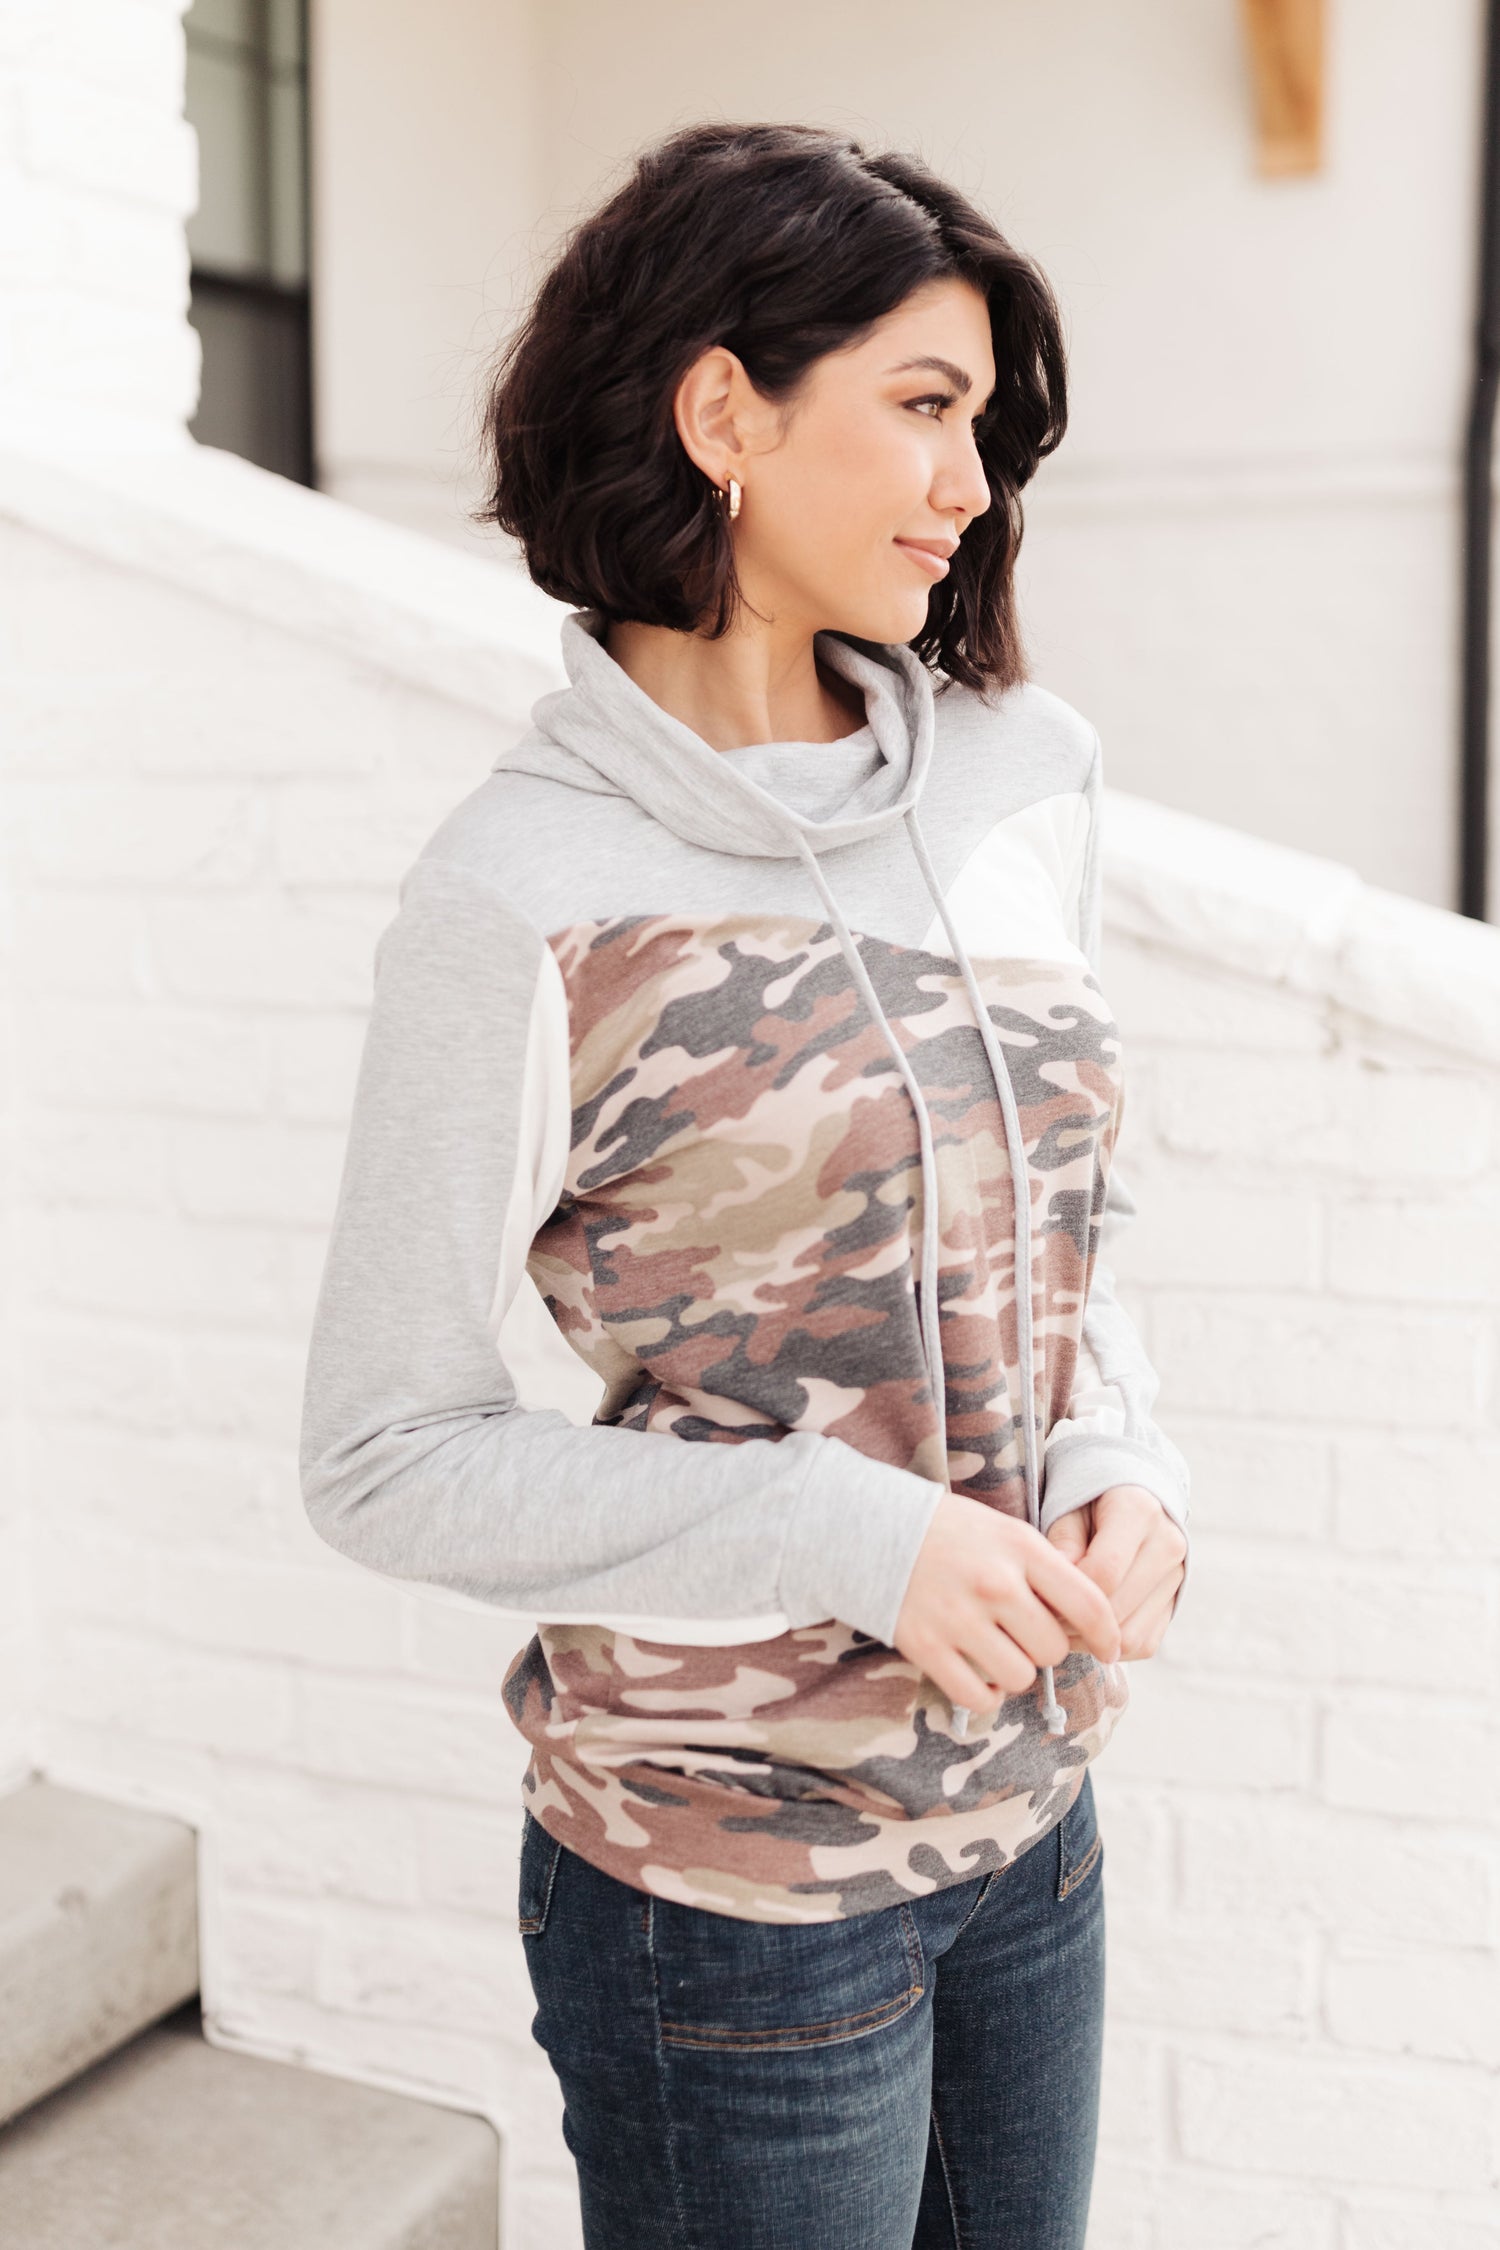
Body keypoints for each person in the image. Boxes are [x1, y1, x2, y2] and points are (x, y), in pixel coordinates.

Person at [299, 119, 1190, 2250]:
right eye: (925, 406)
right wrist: (847, 1534)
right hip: (728, 1905)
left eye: (984, 427)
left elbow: (1062, 1219)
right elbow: (384, 1454)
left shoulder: (1021, 777)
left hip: (1033, 1829)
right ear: (723, 412)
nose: (971, 485)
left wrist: (1118, 1449)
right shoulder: (516, 895)